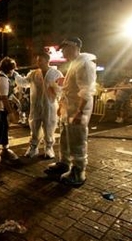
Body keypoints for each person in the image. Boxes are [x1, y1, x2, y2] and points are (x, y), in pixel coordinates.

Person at [44, 37, 97, 187]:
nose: (62, 52)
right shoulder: (75, 63)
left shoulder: (85, 64)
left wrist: (80, 112)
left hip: (78, 110)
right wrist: (62, 107)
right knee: (65, 138)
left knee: (77, 141)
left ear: (74, 47)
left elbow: (86, 91)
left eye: (64, 48)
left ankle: (78, 172)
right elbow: (69, 90)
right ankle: (64, 163)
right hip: (70, 110)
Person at [15, 52, 64, 159]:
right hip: (36, 106)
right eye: (37, 60)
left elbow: (62, 89)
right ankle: (33, 147)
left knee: (49, 127)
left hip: (50, 106)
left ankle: (49, 148)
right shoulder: (33, 73)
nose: (38, 62)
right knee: (35, 127)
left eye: (40, 60)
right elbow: (24, 82)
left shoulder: (56, 73)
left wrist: (59, 99)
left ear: (47, 61)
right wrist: (15, 75)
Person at [0, 57, 19, 161]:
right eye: (13, 69)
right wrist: (11, 113)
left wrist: (16, 101)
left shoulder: (1, 77)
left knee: (3, 128)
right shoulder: (3, 79)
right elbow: (4, 98)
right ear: (10, 69)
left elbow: (8, 95)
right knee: (1, 129)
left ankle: (4, 147)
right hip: (0, 109)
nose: (13, 71)